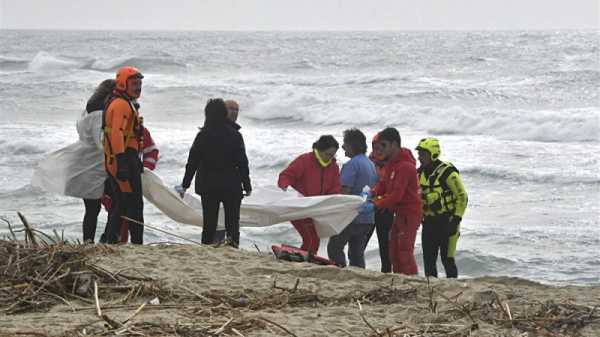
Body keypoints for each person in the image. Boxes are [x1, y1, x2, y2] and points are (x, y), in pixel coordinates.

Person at [177, 98, 251, 248]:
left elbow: (192, 163)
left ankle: (206, 247)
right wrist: (247, 185)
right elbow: (242, 163)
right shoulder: (235, 135)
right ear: (224, 114)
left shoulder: (202, 135)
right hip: (231, 185)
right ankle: (232, 247)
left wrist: (185, 185)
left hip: (208, 185)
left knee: (209, 223)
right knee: (232, 223)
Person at [366, 127, 422, 275]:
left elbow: (396, 195)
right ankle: (399, 279)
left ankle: (412, 281)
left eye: (384, 146)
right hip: (398, 213)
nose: (380, 150)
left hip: (409, 214)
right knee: (394, 252)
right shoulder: (391, 164)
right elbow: (383, 184)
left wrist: (375, 204)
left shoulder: (405, 167)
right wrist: (372, 192)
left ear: (394, 145)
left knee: (404, 252)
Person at [102, 66, 145, 244]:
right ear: (122, 84)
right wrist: (122, 163)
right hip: (122, 159)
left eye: (140, 84)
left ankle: (110, 240)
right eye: (134, 84)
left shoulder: (126, 103)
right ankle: (135, 243)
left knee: (124, 203)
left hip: (127, 157)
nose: (138, 87)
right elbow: (116, 134)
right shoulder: (120, 105)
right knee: (132, 204)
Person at [278, 135, 341, 253]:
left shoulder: (333, 167)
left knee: (313, 239)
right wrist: (285, 189)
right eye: (328, 154)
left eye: (333, 155)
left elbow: (335, 189)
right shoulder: (305, 160)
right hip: (299, 208)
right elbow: (285, 176)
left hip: (316, 209)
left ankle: (302, 258)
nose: (330, 158)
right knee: (312, 239)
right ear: (319, 150)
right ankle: (305, 261)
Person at [416, 138, 468, 278]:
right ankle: (431, 290)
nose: (419, 157)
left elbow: (462, 197)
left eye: (423, 154)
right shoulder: (419, 173)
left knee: (448, 260)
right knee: (428, 261)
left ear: (433, 154)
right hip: (429, 223)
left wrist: (456, 220)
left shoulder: (448, 173)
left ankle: (453, 288)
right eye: (419, 154)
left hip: (448, 222)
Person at [327, 129, 378, 268]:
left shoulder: (352, 165)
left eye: (345, 144)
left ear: (352, 145)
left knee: (334, 247)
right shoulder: (371, 164)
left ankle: (339, 271)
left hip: (351, 217)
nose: (343, 147)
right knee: (357, 252)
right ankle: (358, 274)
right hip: (367, 217)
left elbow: (345, 191)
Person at [364, 133, 394, 272]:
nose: (379, 150)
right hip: (369, 207)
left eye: (382, 147)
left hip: (385, 209)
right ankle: (355, 268)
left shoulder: (393, 163)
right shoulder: (368, 161)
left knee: (385, 245)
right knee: (361, 243)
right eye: (376, 147)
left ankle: (386, 273)